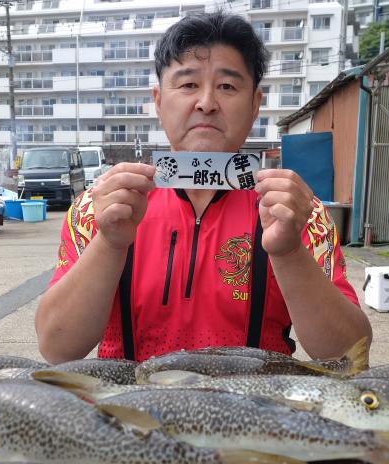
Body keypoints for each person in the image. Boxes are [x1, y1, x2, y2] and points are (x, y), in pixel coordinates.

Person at [36, 11, 372, 363]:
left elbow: (349, 356)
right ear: (158, 100)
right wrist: (108, 243)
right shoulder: (100, 207)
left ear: (255, 104)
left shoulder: (298, 212)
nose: (207, 103)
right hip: (130, 397)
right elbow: (57, 348)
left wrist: (289, 253)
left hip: (257, 399)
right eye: (188, 85)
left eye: (227, 86)